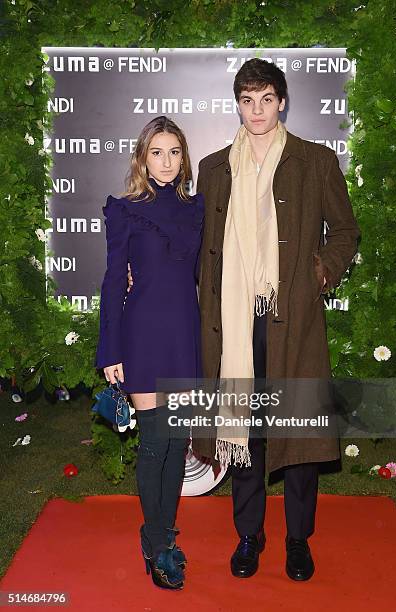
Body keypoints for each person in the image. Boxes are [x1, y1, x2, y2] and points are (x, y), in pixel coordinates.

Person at [193, 58, 360, 581]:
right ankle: (249, 535)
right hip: (235, 323)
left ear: (282, 101)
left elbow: (346, 232)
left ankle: (297, 539)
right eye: (247, 100)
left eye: (266, 99)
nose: (257, 110)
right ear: (238, 104)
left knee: (299, 431)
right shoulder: (214, 168)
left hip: (295, 318)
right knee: (243, 427)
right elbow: (201, 245)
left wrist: (319, 273)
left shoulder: (316, 161)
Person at [95, 115, 204, 590]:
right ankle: (158, 543)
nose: (166, 161)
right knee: (156, 442)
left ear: (184, 158)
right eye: (156, 152)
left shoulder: (197, 208)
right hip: (141, 334)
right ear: (142, 157)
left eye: (174, 152)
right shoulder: (125, 211)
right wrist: (110, 347)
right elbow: (113, 280)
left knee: (178, 445)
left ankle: (162, 533)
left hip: (184, 333)